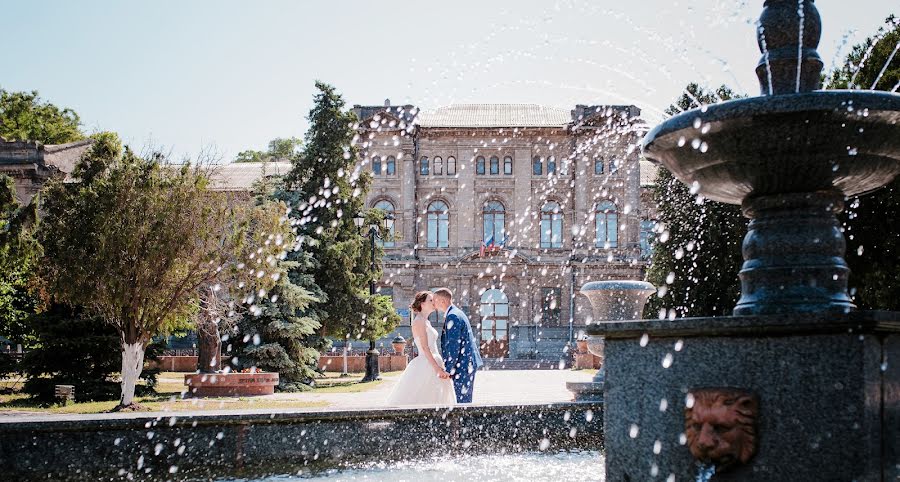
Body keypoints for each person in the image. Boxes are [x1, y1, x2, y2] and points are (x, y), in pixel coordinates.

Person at [385, 291, 456, 406]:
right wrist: (437, 368)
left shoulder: (426, 321)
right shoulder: (419, 321)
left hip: (435, 360)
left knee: (437, 397)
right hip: (426, 362)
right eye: (431, 300)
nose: (434, 302)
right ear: (422, 303)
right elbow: (425, 347)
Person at [433, 287, 484, 403]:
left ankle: (465, 421)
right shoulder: (457, 312)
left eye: (435, 300)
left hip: (463, 365)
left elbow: (453, 346)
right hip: (466, 362)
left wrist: (448, 368)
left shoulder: (453, 316)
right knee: (464, 398)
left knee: (462, 400)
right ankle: (464, 419)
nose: (433, 303)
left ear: (442, 301)